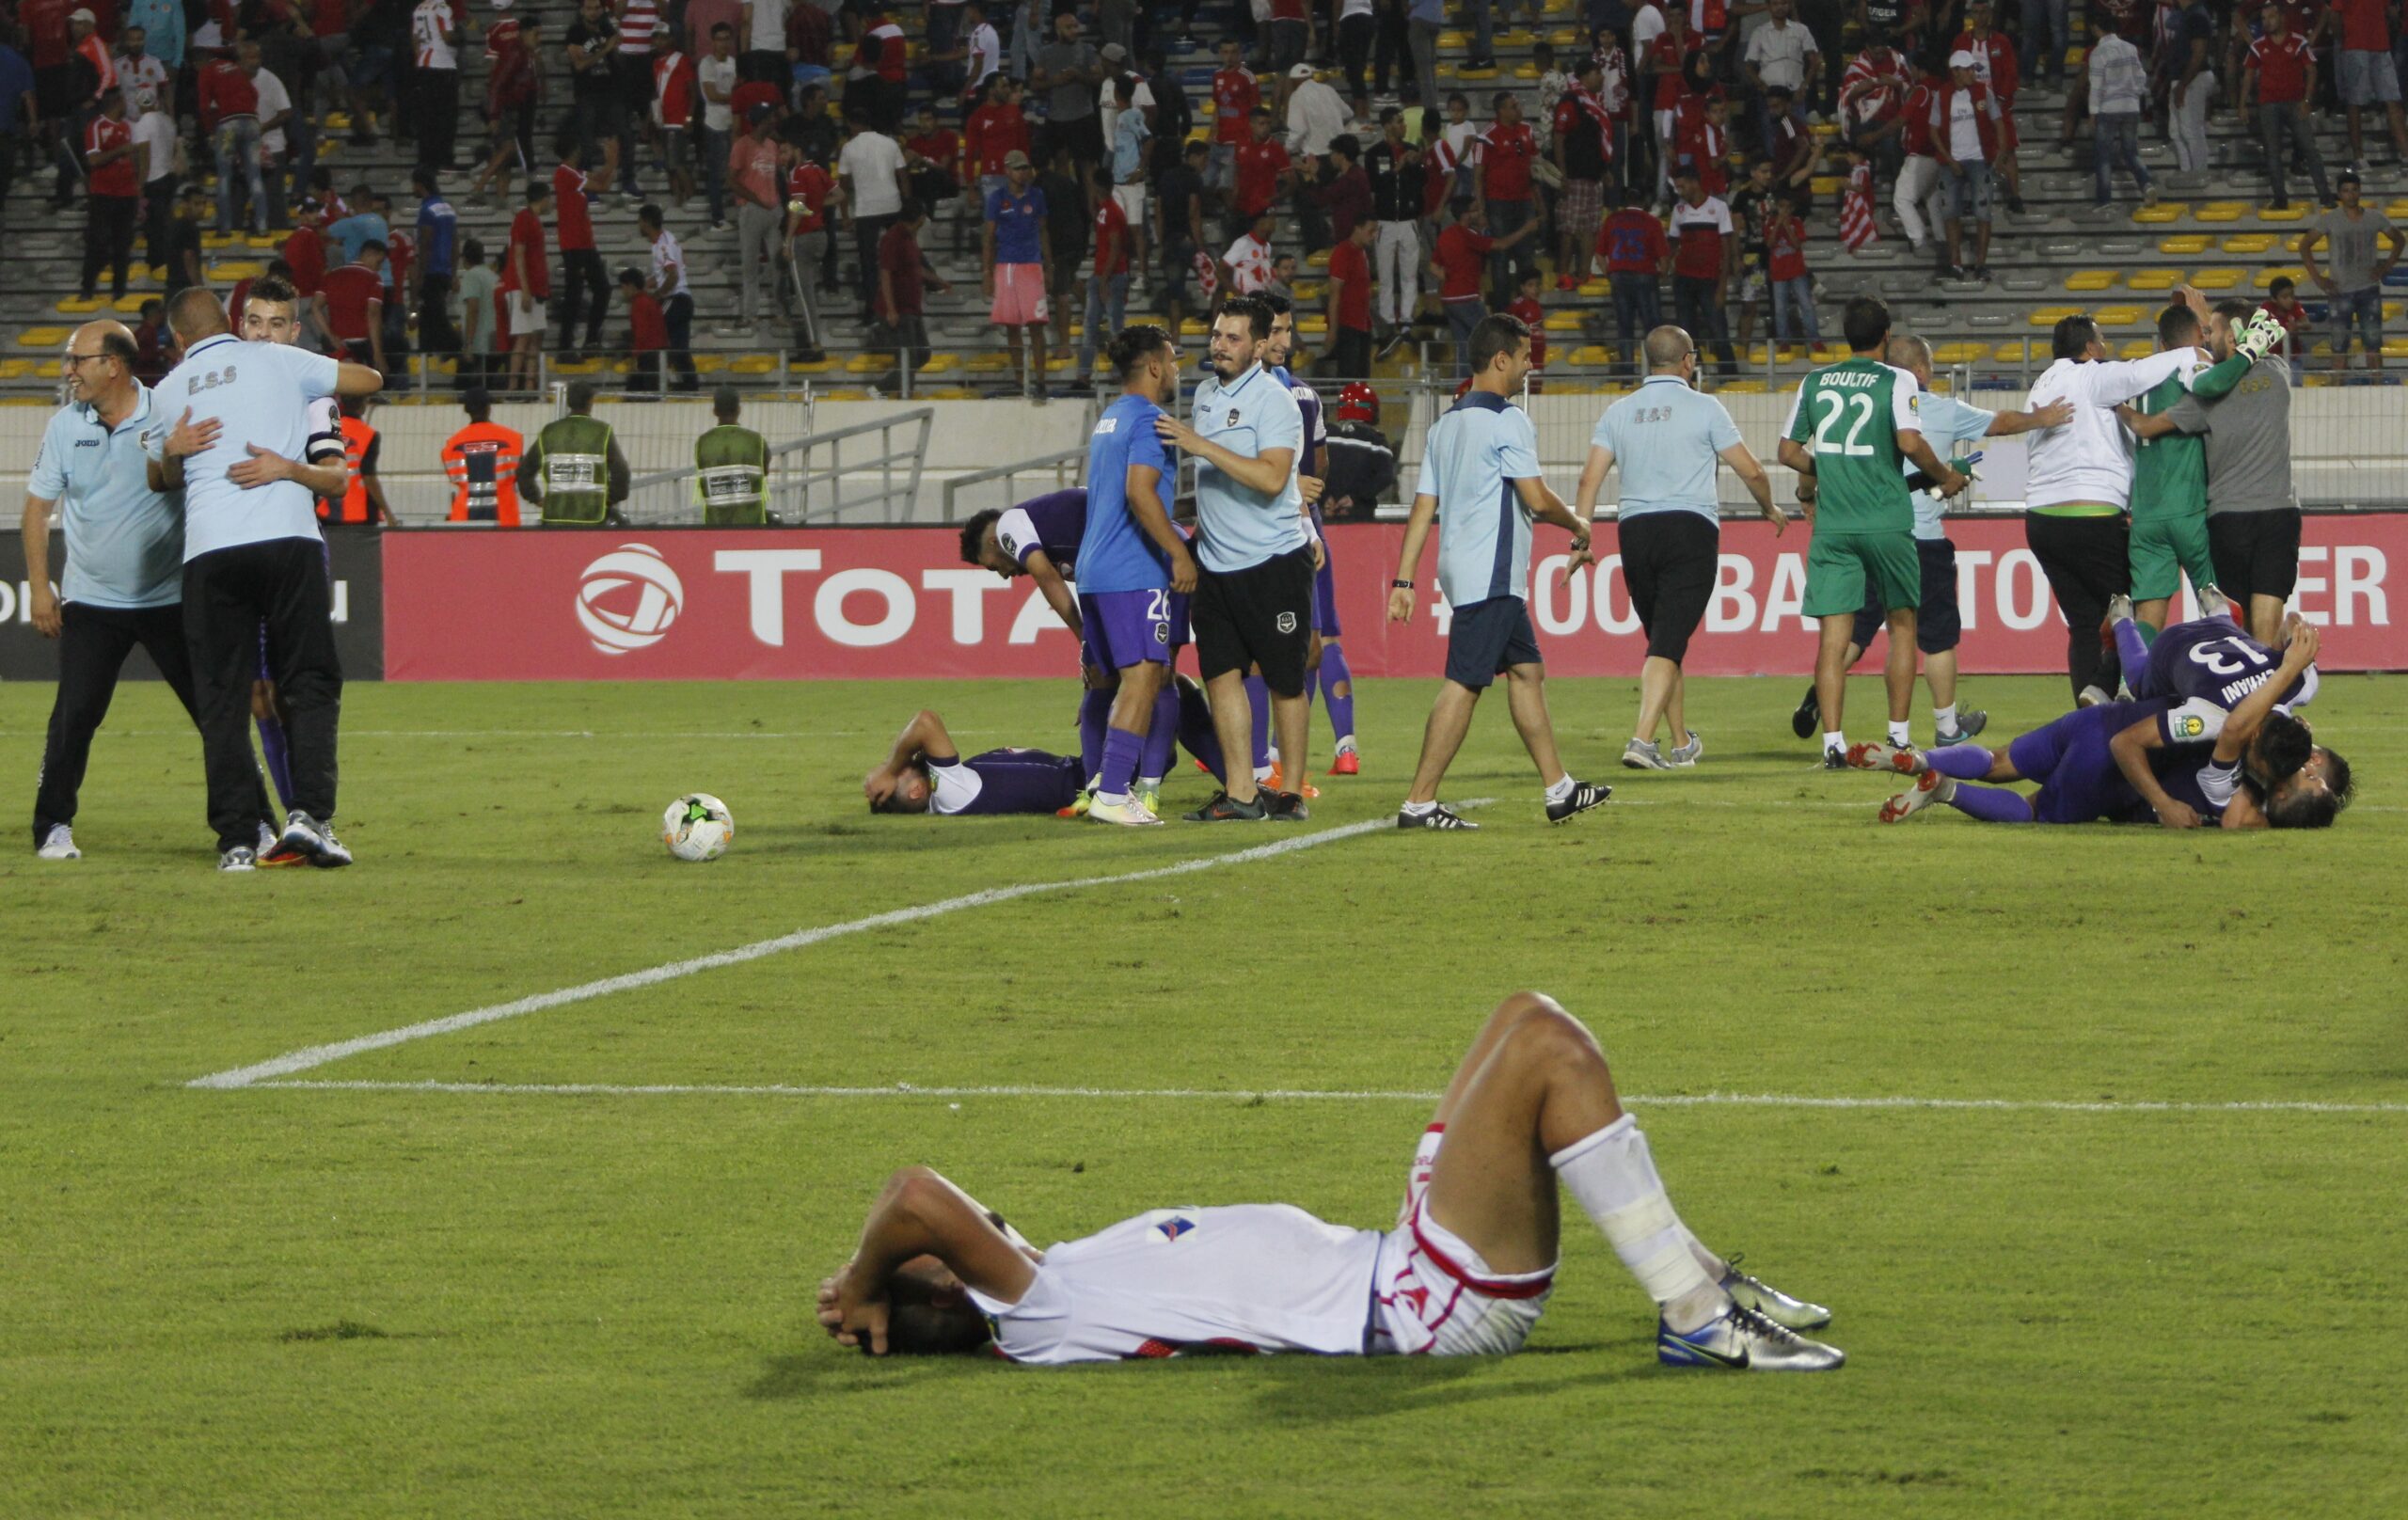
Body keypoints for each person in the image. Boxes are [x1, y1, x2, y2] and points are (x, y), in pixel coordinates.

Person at [817, 990, 1846, 1370]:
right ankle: (1695, 1317)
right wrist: (863, 1281)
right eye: (948, 1249)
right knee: (1549, 1051)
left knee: (1518, 1012)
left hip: (1402, 1256)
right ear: (950, 1286)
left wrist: (884, 1274)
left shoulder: (1066, 1275)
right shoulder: (1037, 1316)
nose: (985, 1214)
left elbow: (932, 1215)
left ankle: (1704, 1277)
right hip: (1423, 1305)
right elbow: (915, 1195)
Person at [144, 289, 382, 870]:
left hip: (210, 551)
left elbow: (159, 478)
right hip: (285, 541)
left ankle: (236, 841)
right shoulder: (278, 360)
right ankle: (310, 816)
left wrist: (173, 451)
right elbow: (369, 380)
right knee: (310, 679)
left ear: (178, 338)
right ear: (233, 322)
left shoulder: (168, 390)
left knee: (221, 697)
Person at [24, 320, 273, 862]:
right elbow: (37, 509)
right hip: (91, 601)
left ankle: (256, 822)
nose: (69, 370)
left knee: (216, 715)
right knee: (74, 718)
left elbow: (206, 480)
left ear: (113, 365)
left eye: (77, 360)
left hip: (172, 598)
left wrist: (175, 454)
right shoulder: (65, 426)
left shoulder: (169, 410)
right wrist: (41, 588)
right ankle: (52, 825)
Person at [1386, 315, 1611, 831]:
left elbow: (1423, 508)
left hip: (1465, 569)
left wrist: (1404, 580)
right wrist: (1578, 524)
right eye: (1526, 356)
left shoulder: (1445, 425)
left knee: (1527, 671)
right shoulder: (1509, 420)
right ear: (1501, 359)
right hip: (1491, 571)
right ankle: (1419, 803)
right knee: (1464, 683)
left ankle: (1559, 789)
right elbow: (1535, 497)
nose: (1531, 366)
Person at [1794, 335, 2072, 748]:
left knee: (1854, 633)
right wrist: (2041, 418)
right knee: (1934, 637)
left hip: (1860, 529)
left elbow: (1811, 456)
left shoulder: (1863, 402)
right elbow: (2000, 423)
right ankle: (1944, 727)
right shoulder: (1942, 409)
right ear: (1921, 371)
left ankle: (1821, 695)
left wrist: (1806, 496)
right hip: (1918, 538)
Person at [1576, 326, 1782, 772]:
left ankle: (1682, 742)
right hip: (1689, 529)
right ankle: (1641, 740)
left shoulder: (1618, 411)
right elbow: (1752, 470)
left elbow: (1589, 479)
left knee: (1665, 639)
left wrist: (1581, 535)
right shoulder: (1706, 407)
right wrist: (1769, 508)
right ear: (1688, 361)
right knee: (1667, 642)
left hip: (1634, 532)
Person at [1777, 296, 1970, 768]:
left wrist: (1828, 470)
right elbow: (1909, 442)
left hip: (1835, 526)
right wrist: (1945, 475)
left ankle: (1833, 745)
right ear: (1886, 335)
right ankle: (1898, 738)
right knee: (1903, 626)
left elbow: (1787, 452)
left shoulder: (1815, 381)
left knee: (1833, 638)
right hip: (1886, 521)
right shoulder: (1897, 379)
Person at [1149, 296, 1315, 822]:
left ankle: (1290, 793)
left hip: (1272, 562)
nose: (1220, 345)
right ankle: (1242, 792)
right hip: (1215, 565)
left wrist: (1201, 446)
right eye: (1217, 335)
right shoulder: (1204, 395)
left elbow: (1272, 479)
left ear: (1260, 346)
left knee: (1284, 682)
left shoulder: (1275, 401)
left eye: (1233, 337)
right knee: (1220, 676)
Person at [2018, 311, 2217, 705]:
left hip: (2041, 521)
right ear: (2090, 348)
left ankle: (2089, 712)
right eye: (2102, 340)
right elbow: (2137, 373)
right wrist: (2191, 351)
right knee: (2137, 604)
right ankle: (2118, 685)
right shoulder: (2091, 376)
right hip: (2090, 515)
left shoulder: (2041, 385)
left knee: (2083, 624)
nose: (2106, 347)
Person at [2118, 302, 2305, 648]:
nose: (2205, 339)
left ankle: (2241, 678)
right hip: (2279, 511)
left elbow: (2145, 426)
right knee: (2268, 614)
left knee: (2237, 619)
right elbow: (2241, 347)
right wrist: (2220, 326)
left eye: (2211, 332)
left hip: (2228, 516)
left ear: (2231, 338)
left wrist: (2118, 405)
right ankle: (2273, 678)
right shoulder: (2278, 372)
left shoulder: (2205, 399)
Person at [1068, 325, 1197, 823]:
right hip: (1132, 569)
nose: (1177, 368)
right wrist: (1178, 553)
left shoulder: (1111, 418)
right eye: (1173, 359)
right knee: (1145, 677)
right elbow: (1140, 492)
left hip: (1095, 569)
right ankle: (1113, 794)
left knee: (1119, 681)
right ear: (1155, 366)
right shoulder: (1150, 420)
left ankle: (1104, 783)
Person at [2112, 293, 2252, 632]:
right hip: (2188, 508)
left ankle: (2137, 668)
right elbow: (2210, 382)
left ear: (2162, 343)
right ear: (2201, 336)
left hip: (2146, 513)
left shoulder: (2142, 373)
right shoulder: (2193, 359)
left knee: (2149, 612)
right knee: (2218, 604)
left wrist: (2121, 409)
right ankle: (2231, 664)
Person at [862, 697, 1222, 816]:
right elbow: (926, 723)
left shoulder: (953, 788)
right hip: (1101, 780)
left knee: (1163, 693)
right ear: (916, 791)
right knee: (1172, 691)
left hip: (1092, 767)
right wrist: (888, 768)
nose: (905, 761)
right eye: (903, 772)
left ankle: (1236, 774)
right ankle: (1239, 776)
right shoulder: (950, 793)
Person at [2300, 171, 2403, 374]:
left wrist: (2385, 267)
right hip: (2340, 290)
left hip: (2368, 289)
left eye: (2354, 190)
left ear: (2360, 191)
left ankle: (2377, 388)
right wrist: (2317, 278)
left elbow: (2399, 239)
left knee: (2373, 346)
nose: (2351, 194)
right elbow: (2305, 245)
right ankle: (2338, 390)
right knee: (2339, 348)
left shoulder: (2374, 217)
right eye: (2346, 191)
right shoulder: (2330, 219)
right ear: (2340, 194)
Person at [2241, 4, 2330, 212]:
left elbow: (2312, 71)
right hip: (2268, 104)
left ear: (2282, 18)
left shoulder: (2298, 41)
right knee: (2272, 153)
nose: (2266, 22)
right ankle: (2280, 199)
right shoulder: (2258, 45)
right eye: (2263, 18)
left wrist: (2306, 101)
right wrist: (2242, 104)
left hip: (2294, 103)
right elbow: (2248, 75)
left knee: (2310, 150)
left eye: (2270, 17)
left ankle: (2325, 196)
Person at [983, 148, 1053, 398]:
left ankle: (1041, 381)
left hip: (1031, 264)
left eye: (1025, 168)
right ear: (1007, 170)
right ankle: (1019, 379)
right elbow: (989, 237)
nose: (1023, 173)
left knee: (1036, 325)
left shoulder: (1037, 196)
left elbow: (1043, 231)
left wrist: (1048, 265)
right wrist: (987, 273)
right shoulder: (996, 198)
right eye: (1018, 168)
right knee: (1012, 325)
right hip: (1007, 266)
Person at [517, 379, 631, 526]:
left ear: (568, 401)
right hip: (592, 516)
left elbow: (524, 471)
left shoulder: (549, 432)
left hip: (554, 517)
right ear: (591, 401)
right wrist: (610, 499)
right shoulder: (602, 431)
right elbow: (621, 472)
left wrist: (535, 498)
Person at [1931, 49, 2001, 281]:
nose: (1973, 73)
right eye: (1969, 69)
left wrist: (2000, 153)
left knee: (1983, 212)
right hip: (1952, 161)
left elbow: (1998, 121)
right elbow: (1933, 130)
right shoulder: (1942, 95)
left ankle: (1980, 265)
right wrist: (1949, 159)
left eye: (1973, 69)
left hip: (1979, 159)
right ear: (1956, 72)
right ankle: (1956, 264)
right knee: (1950, 213)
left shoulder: (1984, 92)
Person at [1665, 169, 1737, 377]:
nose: (1680, 191)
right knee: (1687, 334)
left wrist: (1722, 286)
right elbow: (1673, 243)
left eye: (1682, 186)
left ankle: (1730, 376)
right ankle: (1693, 376)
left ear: (1695, 183)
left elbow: (1726, 248)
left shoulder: (1719, 207)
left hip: (1709, 280)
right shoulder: (1678, 210)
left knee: (1718, 330)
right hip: (1684, 279)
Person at [874, 198, 944, 374]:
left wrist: (938, 280)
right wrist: (891, 310)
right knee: (909, 360)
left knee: (922, 355)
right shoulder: (893, 239)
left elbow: (915, 268)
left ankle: (897, 388)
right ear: (920, 218)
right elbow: (885, 274)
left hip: (911, 308)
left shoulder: (909, 238)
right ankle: (881, 388)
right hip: (899, 309)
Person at [637, 202, 699, 389]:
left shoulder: (662, 246)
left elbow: (673, 275)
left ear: (647, 222)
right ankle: (690, 385)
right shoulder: (666, 239)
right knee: (680, 348)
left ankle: (651, 378)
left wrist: (657, 295)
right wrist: (645, 284)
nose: (639, 225)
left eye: (640, 221)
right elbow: (665, 273)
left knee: (650, 328)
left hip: (675, 299)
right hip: (684, 300)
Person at [441, 387, 524, 525]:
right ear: (488, 408)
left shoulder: (453, 444)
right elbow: (521, 475)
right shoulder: (512, 439)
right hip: (505, 519)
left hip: (464, 521)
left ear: (466, 410)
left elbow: (454, 477)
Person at [695, 387, 769, 525]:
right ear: (739, 410)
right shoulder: (756, 440)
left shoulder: (702, 442)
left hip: (714, 526)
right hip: (752, 525)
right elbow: (765, 471)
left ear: (714, 411)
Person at [506, 180, 553, 392]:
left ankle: (529, 386)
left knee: (535, 337)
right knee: (523, 336)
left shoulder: (533, 220)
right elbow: (519, 254)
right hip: (525, 288)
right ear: (543, 198)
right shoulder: (524, 219)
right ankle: (512, 387)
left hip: (537, 289)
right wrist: (525, 289)